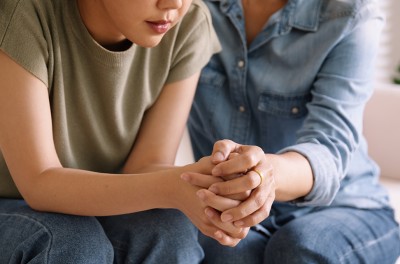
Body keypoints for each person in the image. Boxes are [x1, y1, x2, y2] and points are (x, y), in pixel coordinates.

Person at [0, 0, 248, 263]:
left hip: (107, 202)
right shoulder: (25, 11)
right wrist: (171, 187)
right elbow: (39, 183)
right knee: (70, 242)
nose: (174, 3)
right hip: (11, 200)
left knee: (169, 231)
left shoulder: (188, 22)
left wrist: (206, 181)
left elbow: (146, 166)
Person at [184, 0, 400, 263]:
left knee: (299, 247)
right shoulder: (188, 7)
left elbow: (329, 148)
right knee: (226, 250)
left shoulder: (350, 13)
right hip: (233, 209)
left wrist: (265, 174)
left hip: (347, 206)